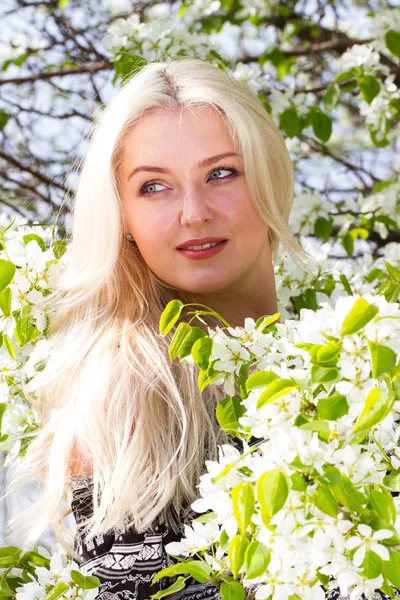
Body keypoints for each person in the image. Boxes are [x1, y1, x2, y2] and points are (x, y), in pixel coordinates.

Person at [11, 57, 309, 599]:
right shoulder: (129, 400)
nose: (194, 212)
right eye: (154, 187)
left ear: (269, 175)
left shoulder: (355, 348)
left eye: (222, 173)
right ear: (121, 216)